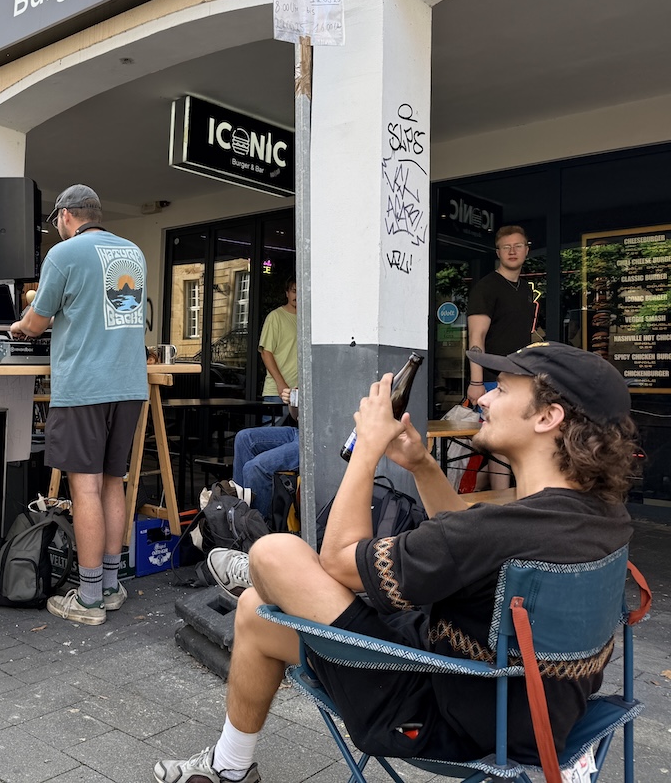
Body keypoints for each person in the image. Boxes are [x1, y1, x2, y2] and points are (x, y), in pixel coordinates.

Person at [157, 341, 635, 782]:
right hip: (540, 712)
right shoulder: (604, 519)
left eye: (503, 389)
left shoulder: (495, 531)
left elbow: (340, 561)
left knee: (275, 552)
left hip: (443, 712)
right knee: (255, 612)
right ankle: (230, 766)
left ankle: (252, 570)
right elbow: (471, 548)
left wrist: (367, 448)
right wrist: (423, 465)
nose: (483, 399)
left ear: (548, 417)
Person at [10, 184, 148, 626]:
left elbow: (37, 320)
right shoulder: (134, 253)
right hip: (128, 386)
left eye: (56, 222)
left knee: (83, 488)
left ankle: (88, 600)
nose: (58, 229)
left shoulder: (64, 255)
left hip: (85, 387)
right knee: (113, 482)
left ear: (67, 216)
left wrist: (18, 326)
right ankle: (109, 585)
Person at [467, 224, 540, 489]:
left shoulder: (525, 290)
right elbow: (476, 338)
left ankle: (473, 498)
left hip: (519, 378)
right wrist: (476, 383)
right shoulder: (486, 288)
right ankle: (503, 511)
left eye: (518, 245)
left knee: (511, 443)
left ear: (526, 250)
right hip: (491, 381)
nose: (512, 251)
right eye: (506, 247)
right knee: (500, 444)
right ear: (497, 252)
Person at [227, 387, 299, 526]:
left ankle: (256, 530)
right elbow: (295, 416)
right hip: (299, 431)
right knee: (244, 438)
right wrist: (292, 401)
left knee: (255, 467)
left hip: (319, 441)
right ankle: (238, 515)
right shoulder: (311, 370)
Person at [256, 276, 297, 409]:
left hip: (301, 393)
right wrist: (281, 384)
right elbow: (266, 352)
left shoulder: (309, 320)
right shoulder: (275, 317)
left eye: (301, 291)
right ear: (287, 293)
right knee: (273, 429)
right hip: (278, 392)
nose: (297, 295)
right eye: (294, 291)